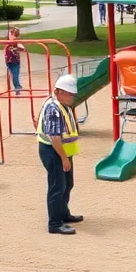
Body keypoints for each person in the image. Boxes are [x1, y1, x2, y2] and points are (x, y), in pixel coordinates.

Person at [38, 74, 83, 235]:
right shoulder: (53, 109)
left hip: (62, 151)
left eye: (73, 94)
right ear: (58, 92)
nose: (72, 97)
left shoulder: (63, 106)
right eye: (70, 94)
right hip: (54, 152)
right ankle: (55, 223)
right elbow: (54, 137)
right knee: (57, 186)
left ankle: (63, 213)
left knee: (67, 184)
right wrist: (64, 158)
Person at [4, 27, 24, 95]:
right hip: (8, 62)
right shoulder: (7, 42)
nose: (10, 37)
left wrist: (16, 48)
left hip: (15, 62)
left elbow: (22, 48)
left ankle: (18, 87)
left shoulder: (16, 43)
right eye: (9, 35)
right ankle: (17, 86)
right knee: (13, 76)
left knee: (15, 75)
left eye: (12, 35)